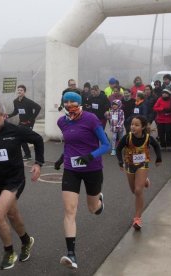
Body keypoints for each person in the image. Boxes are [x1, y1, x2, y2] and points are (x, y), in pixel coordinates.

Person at [0, 101, 44, 270]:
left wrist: (38, 163)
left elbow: (38, 139)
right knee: (12, 215)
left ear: (4, 117)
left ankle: (9, 252)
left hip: (14, 179)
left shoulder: (15, 131)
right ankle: (26, 241)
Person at [56, 92, 110, 270]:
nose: (69, 104)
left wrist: (90, 156)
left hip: (92, 169)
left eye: (73, 101)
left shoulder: (91, 119)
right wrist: (61, 158)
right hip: (71, 169)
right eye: (66, 101)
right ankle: (71, 254)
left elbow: (106, 145)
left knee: (92, 209)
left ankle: (99, 203)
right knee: (70, 210)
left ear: (80, 103)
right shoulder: (62, 122)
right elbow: (70, 143)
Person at [116, 115, 162, 230]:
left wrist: (159, 158)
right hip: (130, 166)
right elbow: (118, 149)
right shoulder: (127, 137)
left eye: (136, 125)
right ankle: (144, 180)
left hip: (142, 165)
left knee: (138, 191)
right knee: (133, 191)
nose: (133, 127)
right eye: (132, 124)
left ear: (142, 127)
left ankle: (137, 218)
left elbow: (156, 146)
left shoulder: (148, 138)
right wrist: (120, 162)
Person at [7, 84, 41, 160]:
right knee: (21, 137)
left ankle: (35, 150)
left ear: (24, 92)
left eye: (21, 90)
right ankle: (27, 154)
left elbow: (38, 107)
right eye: (18, 90)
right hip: (21, 122)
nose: (19, 91)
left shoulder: (28, 101)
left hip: (29, 122)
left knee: (25, 138)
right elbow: (16, 111)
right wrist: (8, 116)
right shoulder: (15, 101)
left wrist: (32, 119)